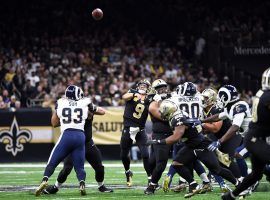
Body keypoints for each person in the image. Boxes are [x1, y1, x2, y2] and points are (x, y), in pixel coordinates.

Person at [147, 99, 238, 198]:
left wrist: (159, 141)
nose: (160, 112)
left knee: (217, 170)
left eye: (162, 110)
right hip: (191, 145)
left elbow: (176, 136)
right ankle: (194, 185)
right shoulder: (177, 115)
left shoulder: (177, 118)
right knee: (177, 164)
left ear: (168, 110)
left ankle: (238, 184)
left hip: (200, 145)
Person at [35, 85, 94, 196]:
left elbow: (54, 123)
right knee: (80, 166)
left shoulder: (61, 102)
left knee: (52, 161)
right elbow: (95, 111)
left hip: (67, 135)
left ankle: (45, 180)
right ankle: (81, 183)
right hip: (80, 135)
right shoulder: (85, 102)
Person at [222, 67, 270, 199]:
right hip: (258, 138)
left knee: (256, 174)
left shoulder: (261, 93)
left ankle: (231, 196)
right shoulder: (267, 96)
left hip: (256, 137)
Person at [43, 106, 113, 194]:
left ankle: (101, 186)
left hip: (87, 143)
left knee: (99, 167)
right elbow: (55, 123)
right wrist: (59, 112)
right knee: (67, 168)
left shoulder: (85, 107)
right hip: (75, 144)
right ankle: (56, 187)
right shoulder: (71, 112)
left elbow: (102, 111)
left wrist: (90, 108)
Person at [163, 82, 211, 193]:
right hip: (197, 129)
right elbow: (207, 102)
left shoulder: (175, 98)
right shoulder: (199, 97)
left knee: (182, 158)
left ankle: (187, 182)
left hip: (183, 129)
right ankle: (198, 182)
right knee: (191, 158)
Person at [201, 88, 242, 192]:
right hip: (217, 136)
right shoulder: (204, 110)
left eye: (206, 98)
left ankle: (241, 179)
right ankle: (215, 180)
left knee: (227, 159)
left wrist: (202, 123)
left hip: (229, 135)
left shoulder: (216, 108)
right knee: (214, 159)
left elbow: (215, 128)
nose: (203, 100)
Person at [120, 79, 152, 187]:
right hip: (128, 128)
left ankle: (150, 178)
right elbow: (124, 97)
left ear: (148, 87)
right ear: (138, 86)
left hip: (140, 129)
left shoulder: (149, 98)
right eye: (141, 85)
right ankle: (128, 172)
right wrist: (135, 93)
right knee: (124, 154)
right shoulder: (132, 92)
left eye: (145, 85)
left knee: (145, 154)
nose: (143, 86)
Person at [144, 79, 172, 195]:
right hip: (160, 133)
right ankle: (152, 183)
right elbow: (164, 115)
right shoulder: (151, 100)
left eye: (164, 87)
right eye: (159, 88)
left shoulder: (171, 96)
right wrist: (159, 100)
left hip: (174, 132)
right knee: (153, 162)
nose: (162, 90)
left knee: (164, 162)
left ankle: (152, 186)